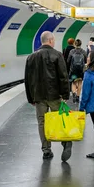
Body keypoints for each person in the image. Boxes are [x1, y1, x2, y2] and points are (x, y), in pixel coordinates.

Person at [25, 31, 72, 161]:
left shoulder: (31, 57)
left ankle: (46, 150)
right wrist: (65, 94)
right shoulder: (57, 55)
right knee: (59, 119)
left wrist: (30, 98)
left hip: (39, 96)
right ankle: (65, 142)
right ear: (50, 40)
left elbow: (27, 80)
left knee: (42, 122)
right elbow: (63, 76)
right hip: (54, 95)